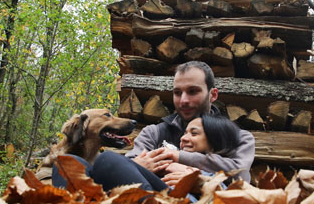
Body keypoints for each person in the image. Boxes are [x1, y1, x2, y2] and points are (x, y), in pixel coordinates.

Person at [52, 61, 255, 191]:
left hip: (188, 203)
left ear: (213, 95)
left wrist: (180, 160)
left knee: (107, 160)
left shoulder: (239, 137)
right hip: (147, 190)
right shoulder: (154, 132)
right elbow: (130, 164)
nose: (183, 100)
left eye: (193, 91)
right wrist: (139, 166)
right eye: (177, 92)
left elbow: (238, 172)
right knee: (67, 163)